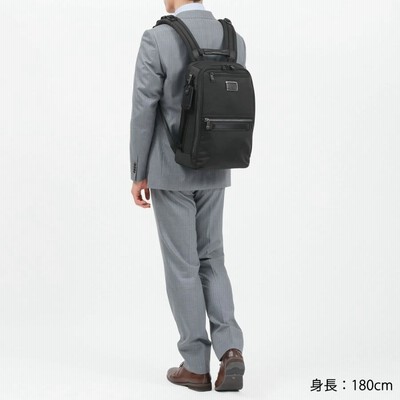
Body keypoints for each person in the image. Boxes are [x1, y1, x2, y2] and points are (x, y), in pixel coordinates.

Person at [130, 0, 247, 392]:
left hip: (171, 169)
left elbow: (143, 110)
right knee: (212, 257)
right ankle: (230, 349)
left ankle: (195, 365)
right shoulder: (233, 38)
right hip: (217, 164)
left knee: (183, 266)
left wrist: (138, 171)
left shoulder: (158, 38)